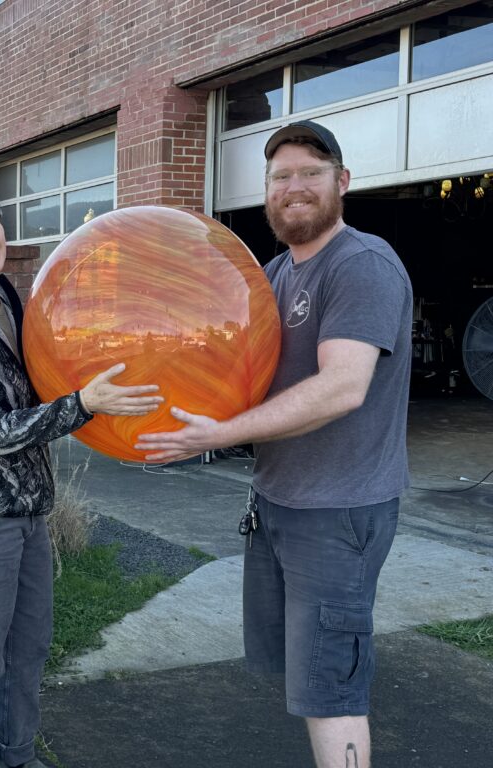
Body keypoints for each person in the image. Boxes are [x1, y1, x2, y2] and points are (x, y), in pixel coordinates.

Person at [135, 121, 412, 768]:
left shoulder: (362, 265)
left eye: (310, 174)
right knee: (304, 674)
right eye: (280, 176)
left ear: (342, 182)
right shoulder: (274, 273)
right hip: (281, 504)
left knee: (331, 688)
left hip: (338, 512)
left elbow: (343, 386)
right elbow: (227, 362)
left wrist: (220, 435)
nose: (294, 187)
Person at [0, 165, 161, 768]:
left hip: (26, 510)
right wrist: (82, 407)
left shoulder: (8, 297)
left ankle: (16, 755)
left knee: (29, 649)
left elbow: (41, 380)